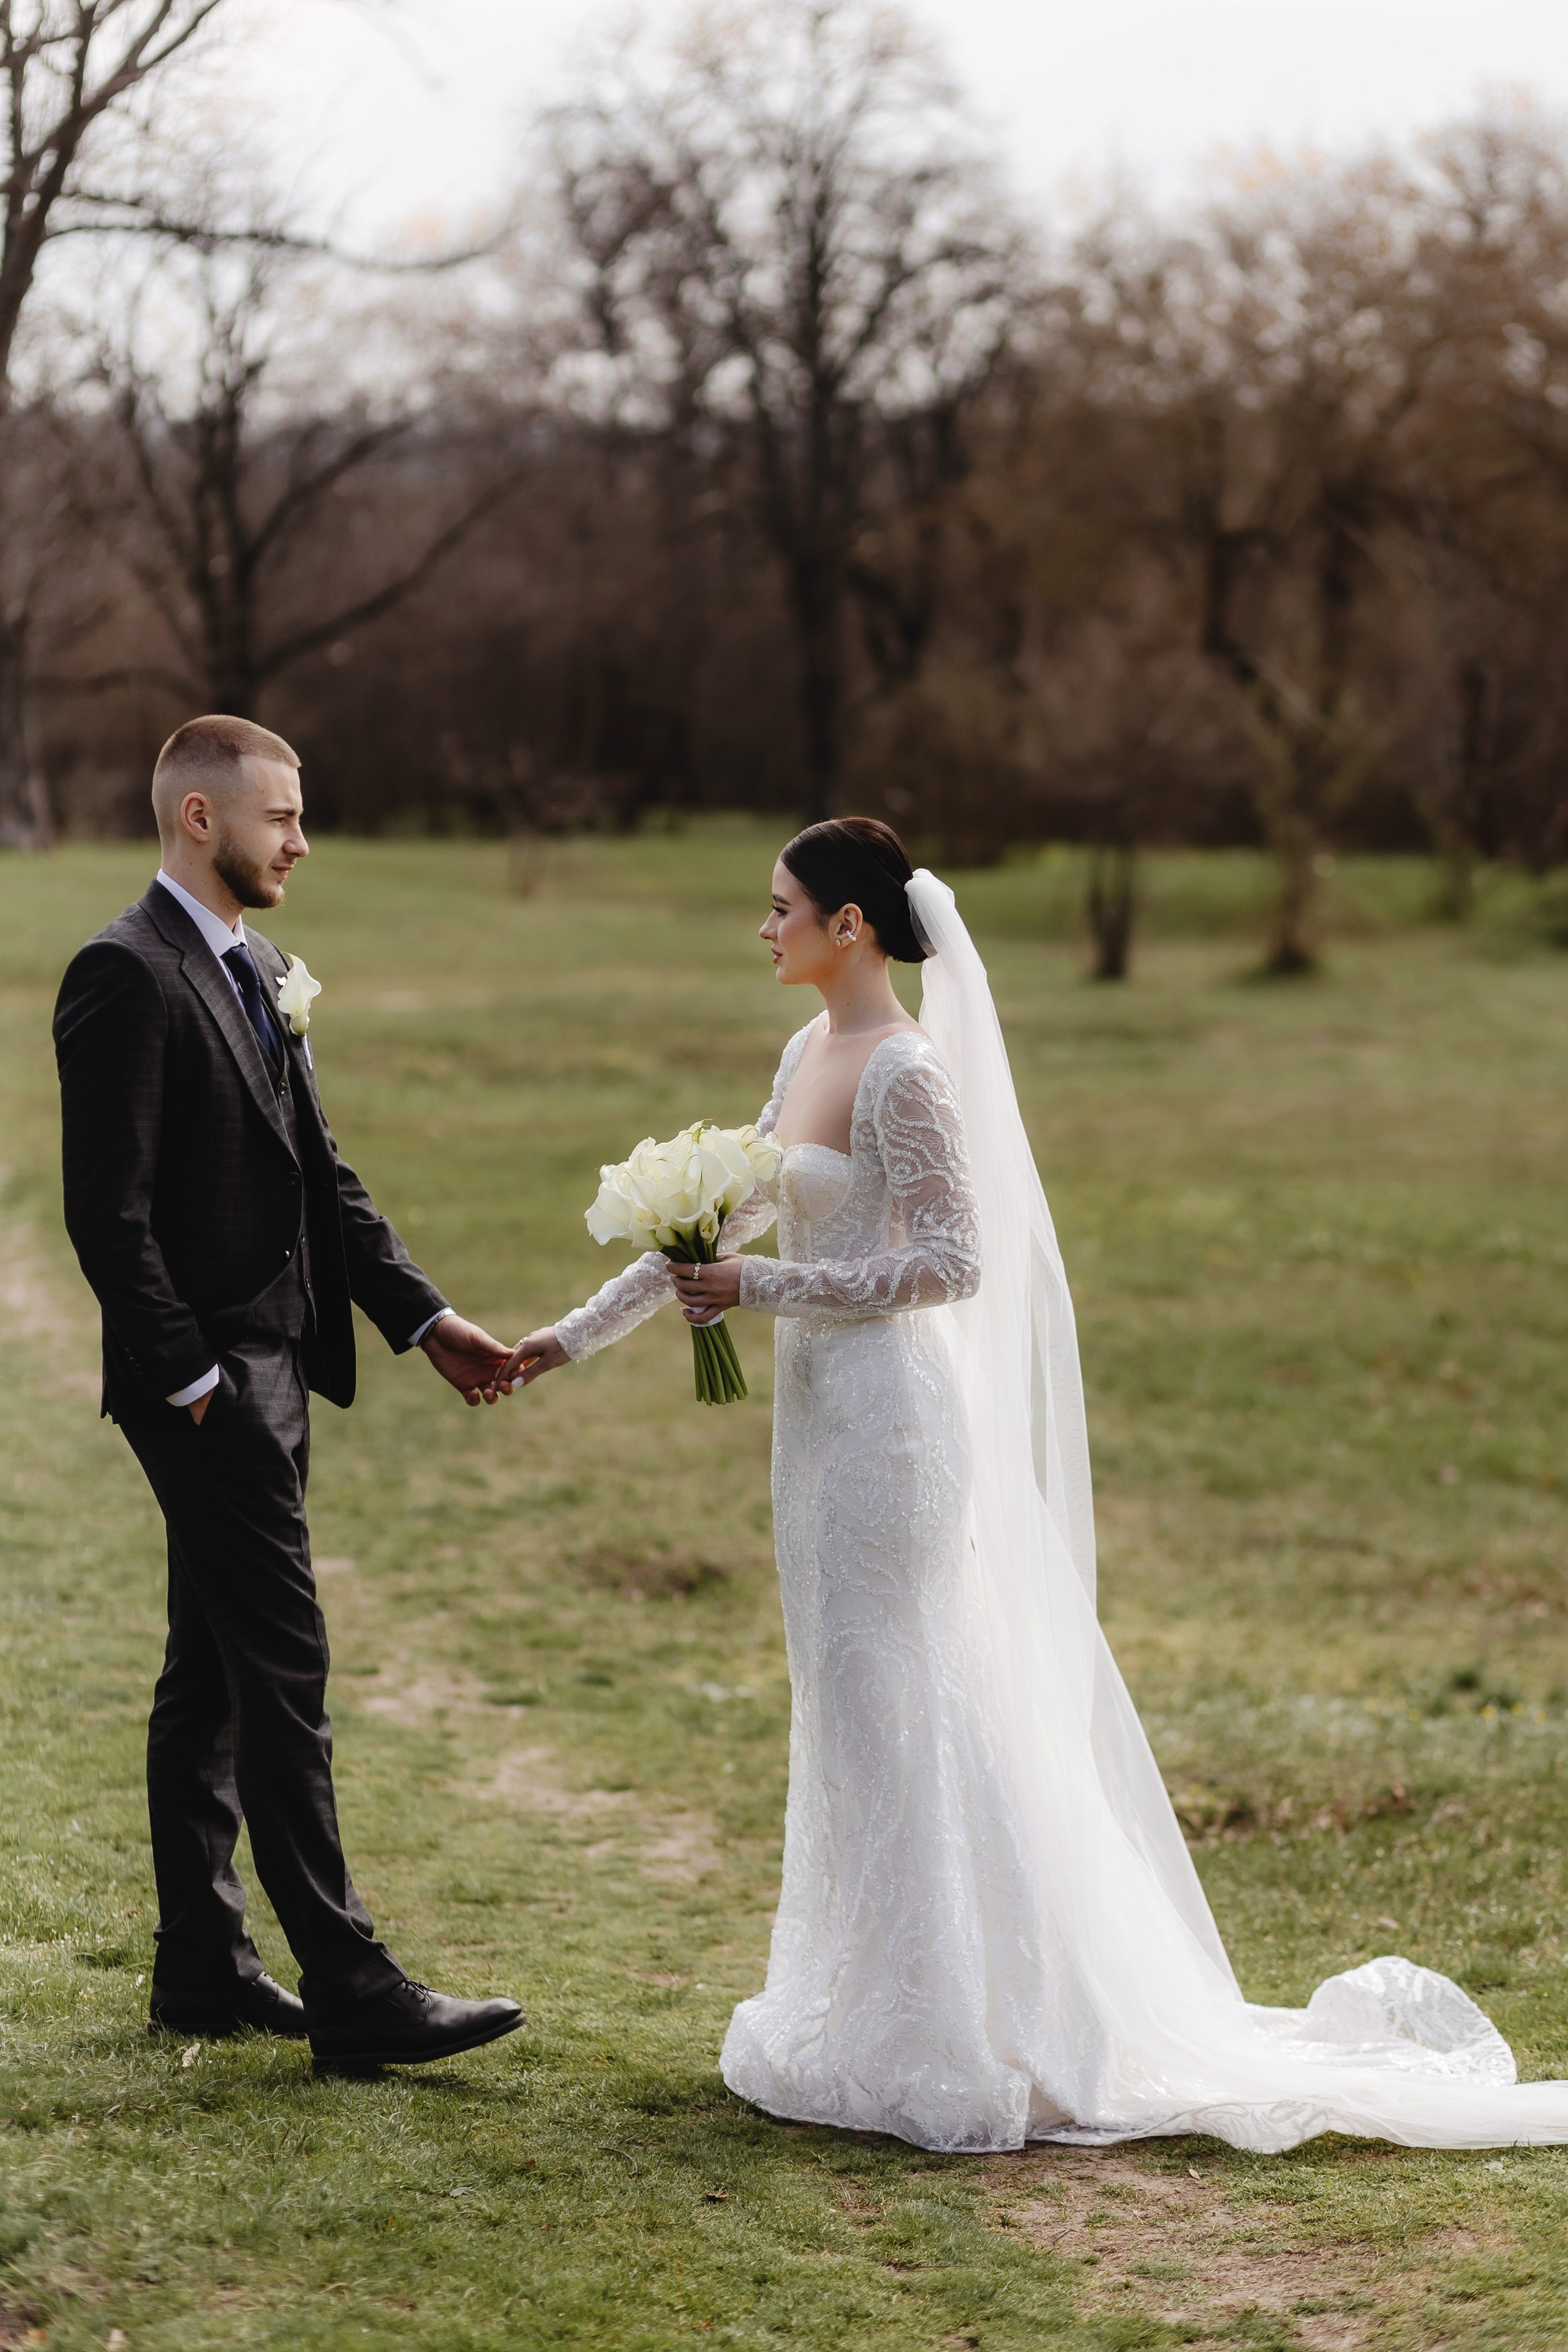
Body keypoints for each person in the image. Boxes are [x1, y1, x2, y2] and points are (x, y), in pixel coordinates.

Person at [504, 815, 1568, 2152]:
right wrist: (559, 1340)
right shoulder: (800, 1050)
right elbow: (718, 1228)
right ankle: (875, 2003)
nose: (760, 926)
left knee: (899, 1693)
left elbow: (953, 1262)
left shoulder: (906, 1073)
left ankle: (962, 2028)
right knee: (849, 1700)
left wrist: (763, 1289)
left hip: (894, 1427)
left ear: (850, 927)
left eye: (780, 906)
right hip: (814, 1422)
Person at [53, 714, 524, 2073]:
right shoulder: (123, 973)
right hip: (207, 1384)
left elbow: (322, 1177)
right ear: (201, 820)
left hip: (280, 1366)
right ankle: (353, 1988)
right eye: (281, 818)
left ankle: (202, 1967)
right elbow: (109, 1216)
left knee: (209, 1674)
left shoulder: (256, 966)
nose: (301, 843)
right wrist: (194, 1381)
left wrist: (421, 1316)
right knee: (282, 1667)